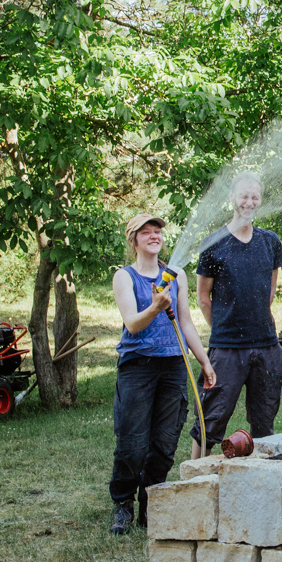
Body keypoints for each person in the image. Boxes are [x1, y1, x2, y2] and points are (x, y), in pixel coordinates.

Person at [110, 214, 216, 535]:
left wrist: (205, 362)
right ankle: (123, 504)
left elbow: (185, 323)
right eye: (146, 232)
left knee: (165, 442)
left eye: (157, 232)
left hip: (172, 366)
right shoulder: (124, 277)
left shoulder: (176, 275)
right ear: (134, 240)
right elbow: (132, 323)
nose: (154, 236)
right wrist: (155, 307)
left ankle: (151, 502)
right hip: (137, 366)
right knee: (133, 443)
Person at [190, 172, 282, 459]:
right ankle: (193, 480)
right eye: (244, 195)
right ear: (231, 198)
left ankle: (261, 475)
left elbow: (270, 290)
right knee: (210, 420)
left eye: (255, 196)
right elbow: (203, 298)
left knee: (264, 420)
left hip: (267, 346)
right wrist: (224, 327)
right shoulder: (214, 243)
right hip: (227, 348)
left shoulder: (270, 242)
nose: (249, 201)